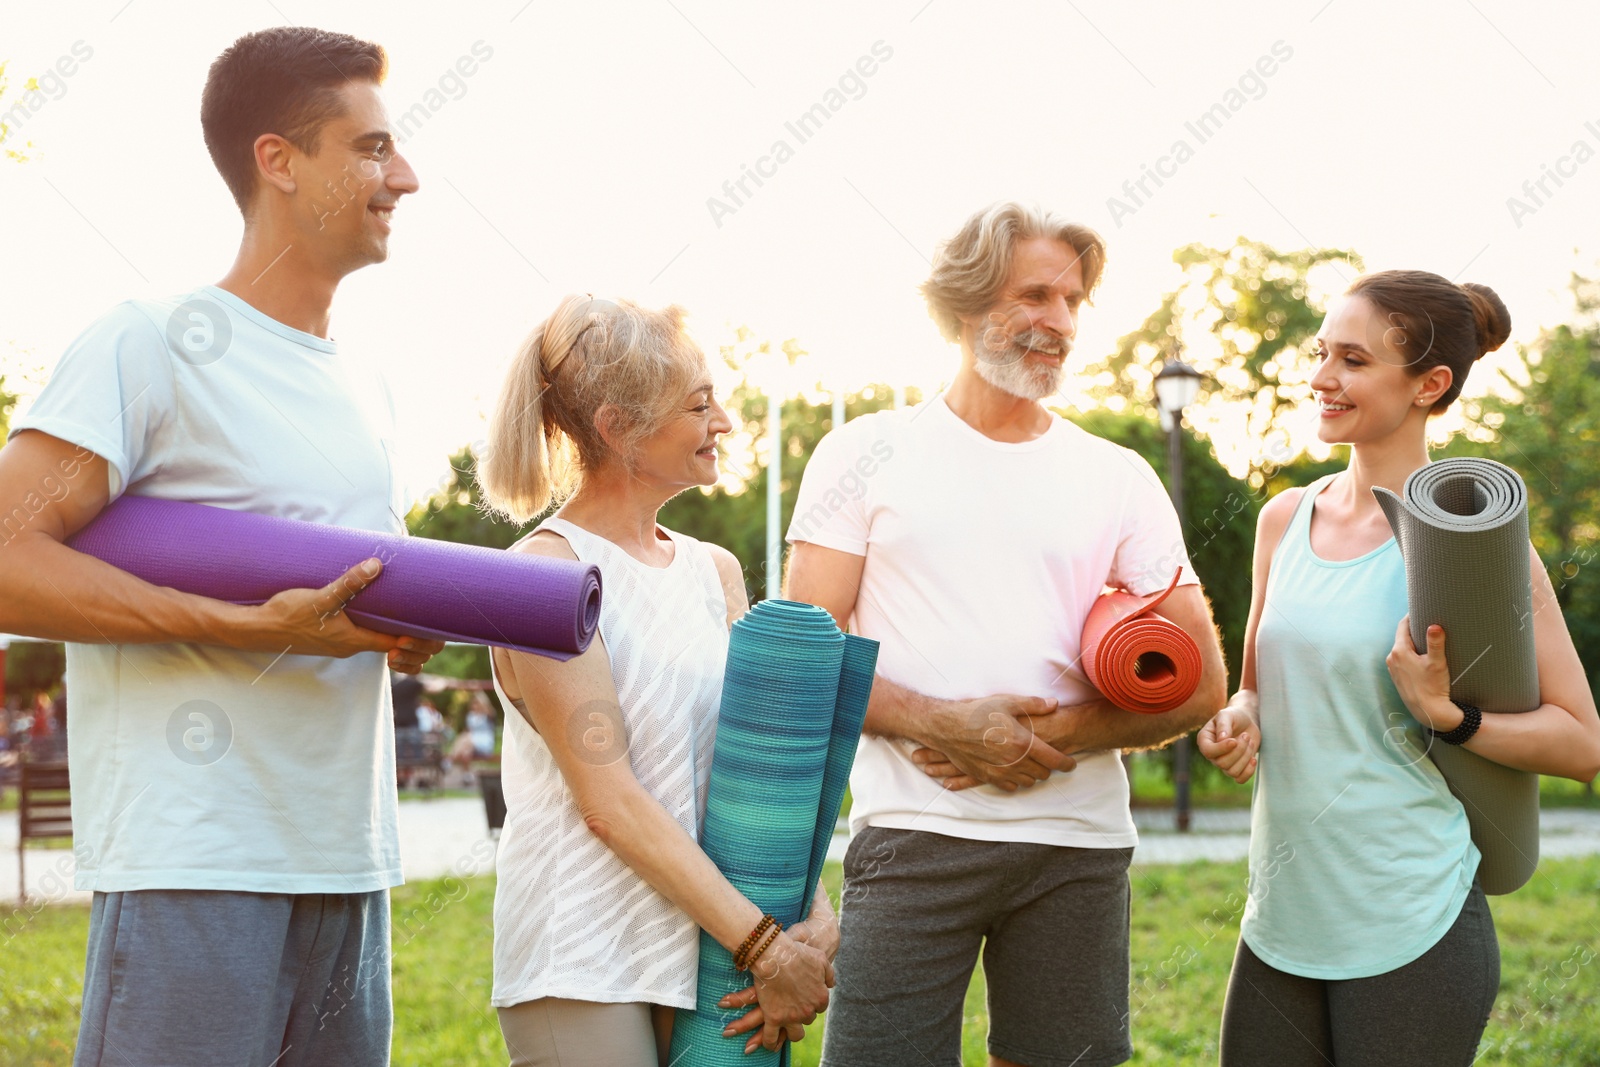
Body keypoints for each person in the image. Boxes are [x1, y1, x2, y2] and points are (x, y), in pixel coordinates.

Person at [0, 28, 442, 1067]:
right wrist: (241, 626)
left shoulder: (366, 387)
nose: (406, 177)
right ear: (277, 158)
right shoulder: (148, 339)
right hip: (194, 868)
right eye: (372, 148)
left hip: (349, 867)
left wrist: (390, 627)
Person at [784, 201, 1229, 1067]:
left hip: (1077, 844)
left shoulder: (1119, 476)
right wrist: (937, 722)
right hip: (915, 835)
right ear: (964, 303)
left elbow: (1203, 685)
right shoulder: (862, 453)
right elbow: (805, 658)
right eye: (1036, 296)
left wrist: (1045, 737)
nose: (1059, 323)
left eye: (1073, 303)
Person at [1198, 270, 1600, 1066]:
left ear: (1431, 384)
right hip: (1281, 918)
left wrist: (1452, 716)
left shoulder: (1475, 546)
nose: (1320, 378)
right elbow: (1253, 684)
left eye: (1352, 360)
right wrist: (1240, 718)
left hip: (1411, 922)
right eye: (1321, 354)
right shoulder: (1284, 519)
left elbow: (1584, 743)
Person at [478, 294, 837, 1066]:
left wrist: (814, 913)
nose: (726, 425)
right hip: (584, 950)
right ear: (617, 427)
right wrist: (766, 947)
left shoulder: (715, 569)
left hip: (710, 940)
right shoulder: (544, 574)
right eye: (700, 407)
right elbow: (608, 802)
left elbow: (749, 767)